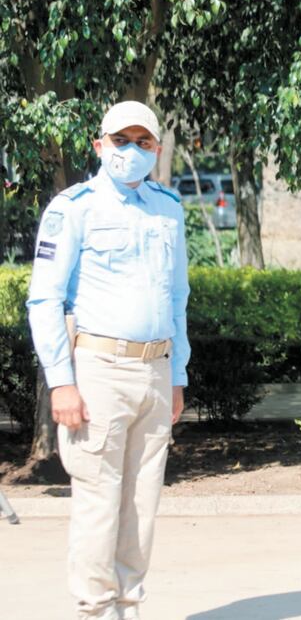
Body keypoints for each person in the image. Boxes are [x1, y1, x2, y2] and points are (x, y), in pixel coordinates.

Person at [27, 101, 190, 620]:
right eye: (122, 140)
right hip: (98, 371)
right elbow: (45, 300)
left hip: (156, 370)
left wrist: (178, 375)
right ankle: (95, 611)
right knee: (99, 505)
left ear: (157, 150)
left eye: (144, 142)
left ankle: (129, 607)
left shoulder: (169, 207)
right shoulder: (73, 207)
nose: (133, 151)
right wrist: (61, 382)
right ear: (99, 145)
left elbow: (178, 297)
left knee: (142, 507)